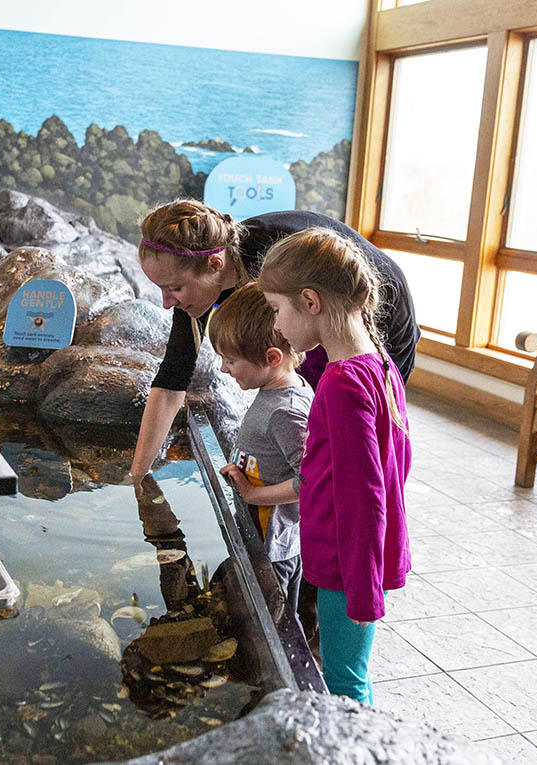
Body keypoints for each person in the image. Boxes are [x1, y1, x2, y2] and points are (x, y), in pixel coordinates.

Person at [128, 200, 417, 482]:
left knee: (350, 445)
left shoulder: (277, 257)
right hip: (314, 321)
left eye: (174, 288)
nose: (166, 303)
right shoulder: (201, 275)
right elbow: (172, 380)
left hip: (379, 318)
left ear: (215, 264)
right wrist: (138, 476)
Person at [257, 226, 412, 705]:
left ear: (310, 301)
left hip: (347, 570)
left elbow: (363, 497)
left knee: (346, 686)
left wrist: (364, 592)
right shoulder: (378, 363)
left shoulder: (341, 385)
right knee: (347, 672)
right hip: (361, 559)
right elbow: (396, 466)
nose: (277, 326)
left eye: (278, 310)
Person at [209, 283, 311, 623]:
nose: (224, 368)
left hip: (274, 550)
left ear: (271, 358)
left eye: (231, 360)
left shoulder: (286, 411)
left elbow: (311, 480)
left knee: (273, 627)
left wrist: (255, 493)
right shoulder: (276, 391)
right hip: (260, 539)